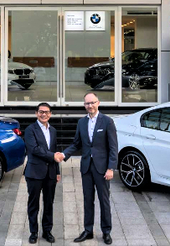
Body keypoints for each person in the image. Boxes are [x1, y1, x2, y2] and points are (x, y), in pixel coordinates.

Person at [56, 93, 118, 245]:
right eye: (87, 103)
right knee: (87, 200)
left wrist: (111, 168)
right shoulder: (81, 123)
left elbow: (113, 147)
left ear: (98, 103)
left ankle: (106, 231)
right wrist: (64, 154)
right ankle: (88, 230)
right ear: (84, 105)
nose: (89, 106)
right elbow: (76, 144)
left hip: (102, 169)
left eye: (92, 103)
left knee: (104, 201)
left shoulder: (107, 122)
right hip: (86, 168)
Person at [23, 102, 61, 244]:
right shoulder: (30, 130)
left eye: (46, 112)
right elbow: (34, 149)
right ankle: (33, 232)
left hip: (50, 173)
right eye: (41, 112)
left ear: (50, 114)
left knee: (49, 203)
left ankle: (47, 231)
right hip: (34, 173)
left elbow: (55, 149)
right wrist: (52, 157)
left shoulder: (53, 131)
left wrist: (57, 171)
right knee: (33, 204)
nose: (43, 114)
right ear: (36, 113)